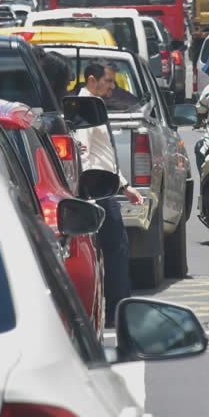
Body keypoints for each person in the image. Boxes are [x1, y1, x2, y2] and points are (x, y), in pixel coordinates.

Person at [74, 62, 144, 325]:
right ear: (92, 81)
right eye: (109, 81)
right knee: (115, 250)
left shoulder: (94, 106)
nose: (113, 87)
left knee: (114, 249)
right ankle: (118, 311)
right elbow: (85, 155)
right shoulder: (84, 109)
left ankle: (117, 308)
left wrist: (125, 186)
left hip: (106, 186)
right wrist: (90, 192)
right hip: (97, 190)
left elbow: (105, 156)